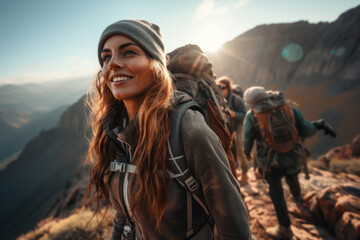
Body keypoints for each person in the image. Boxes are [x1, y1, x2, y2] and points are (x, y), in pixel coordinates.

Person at [86, 19, 250, 240]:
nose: (112, 64)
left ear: (156, 65)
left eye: (128, 53)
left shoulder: (189, 130)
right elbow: (123, 217)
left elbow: (235, 229)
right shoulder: (113, 132)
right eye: (106, 57)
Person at [242, 86, 322, 240]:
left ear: (250, 103)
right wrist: (316, 126)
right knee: (292, 176)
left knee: (276, 192)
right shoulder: (287, 107)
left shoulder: (252, 115)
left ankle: (284, 228)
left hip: (270, 161)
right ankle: (297, 198)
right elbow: (307, 130)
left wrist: (246, 153)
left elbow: (247, 139)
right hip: (292, 155)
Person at [216, 76, 248, 183]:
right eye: (218, 87)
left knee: (239, 151)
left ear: (228, 88)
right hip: (226, 129)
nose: (221, 90)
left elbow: (244, 114)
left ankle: (244, 172)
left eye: (223, 88)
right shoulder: (217, 100)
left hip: (237, 128)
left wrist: (232, 114)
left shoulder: (236, 99)